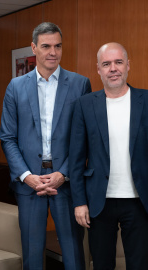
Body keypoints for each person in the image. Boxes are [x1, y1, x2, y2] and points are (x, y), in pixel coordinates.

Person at [0, 22, 92, 270]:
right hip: (30, 185)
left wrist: (63, 173)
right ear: (34, 48)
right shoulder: (15, 87)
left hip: (66, 182)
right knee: (32, 254)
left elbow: (83, 138)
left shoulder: (80, 84)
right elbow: (7, 137)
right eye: (46, 46)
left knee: (73, 252)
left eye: (58, 46)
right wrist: (27, 176)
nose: (53, 52)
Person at [69, 42, 148, 270]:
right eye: (106, 64)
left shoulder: (145, 100)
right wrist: (79, 202)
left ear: (127, 65)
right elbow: (76, 159)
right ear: (98, 69)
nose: (113, 68)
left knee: (140, 264)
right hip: (98, 202)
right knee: (101, 264)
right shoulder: (84, 105)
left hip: (139, 202)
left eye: (118, 62)